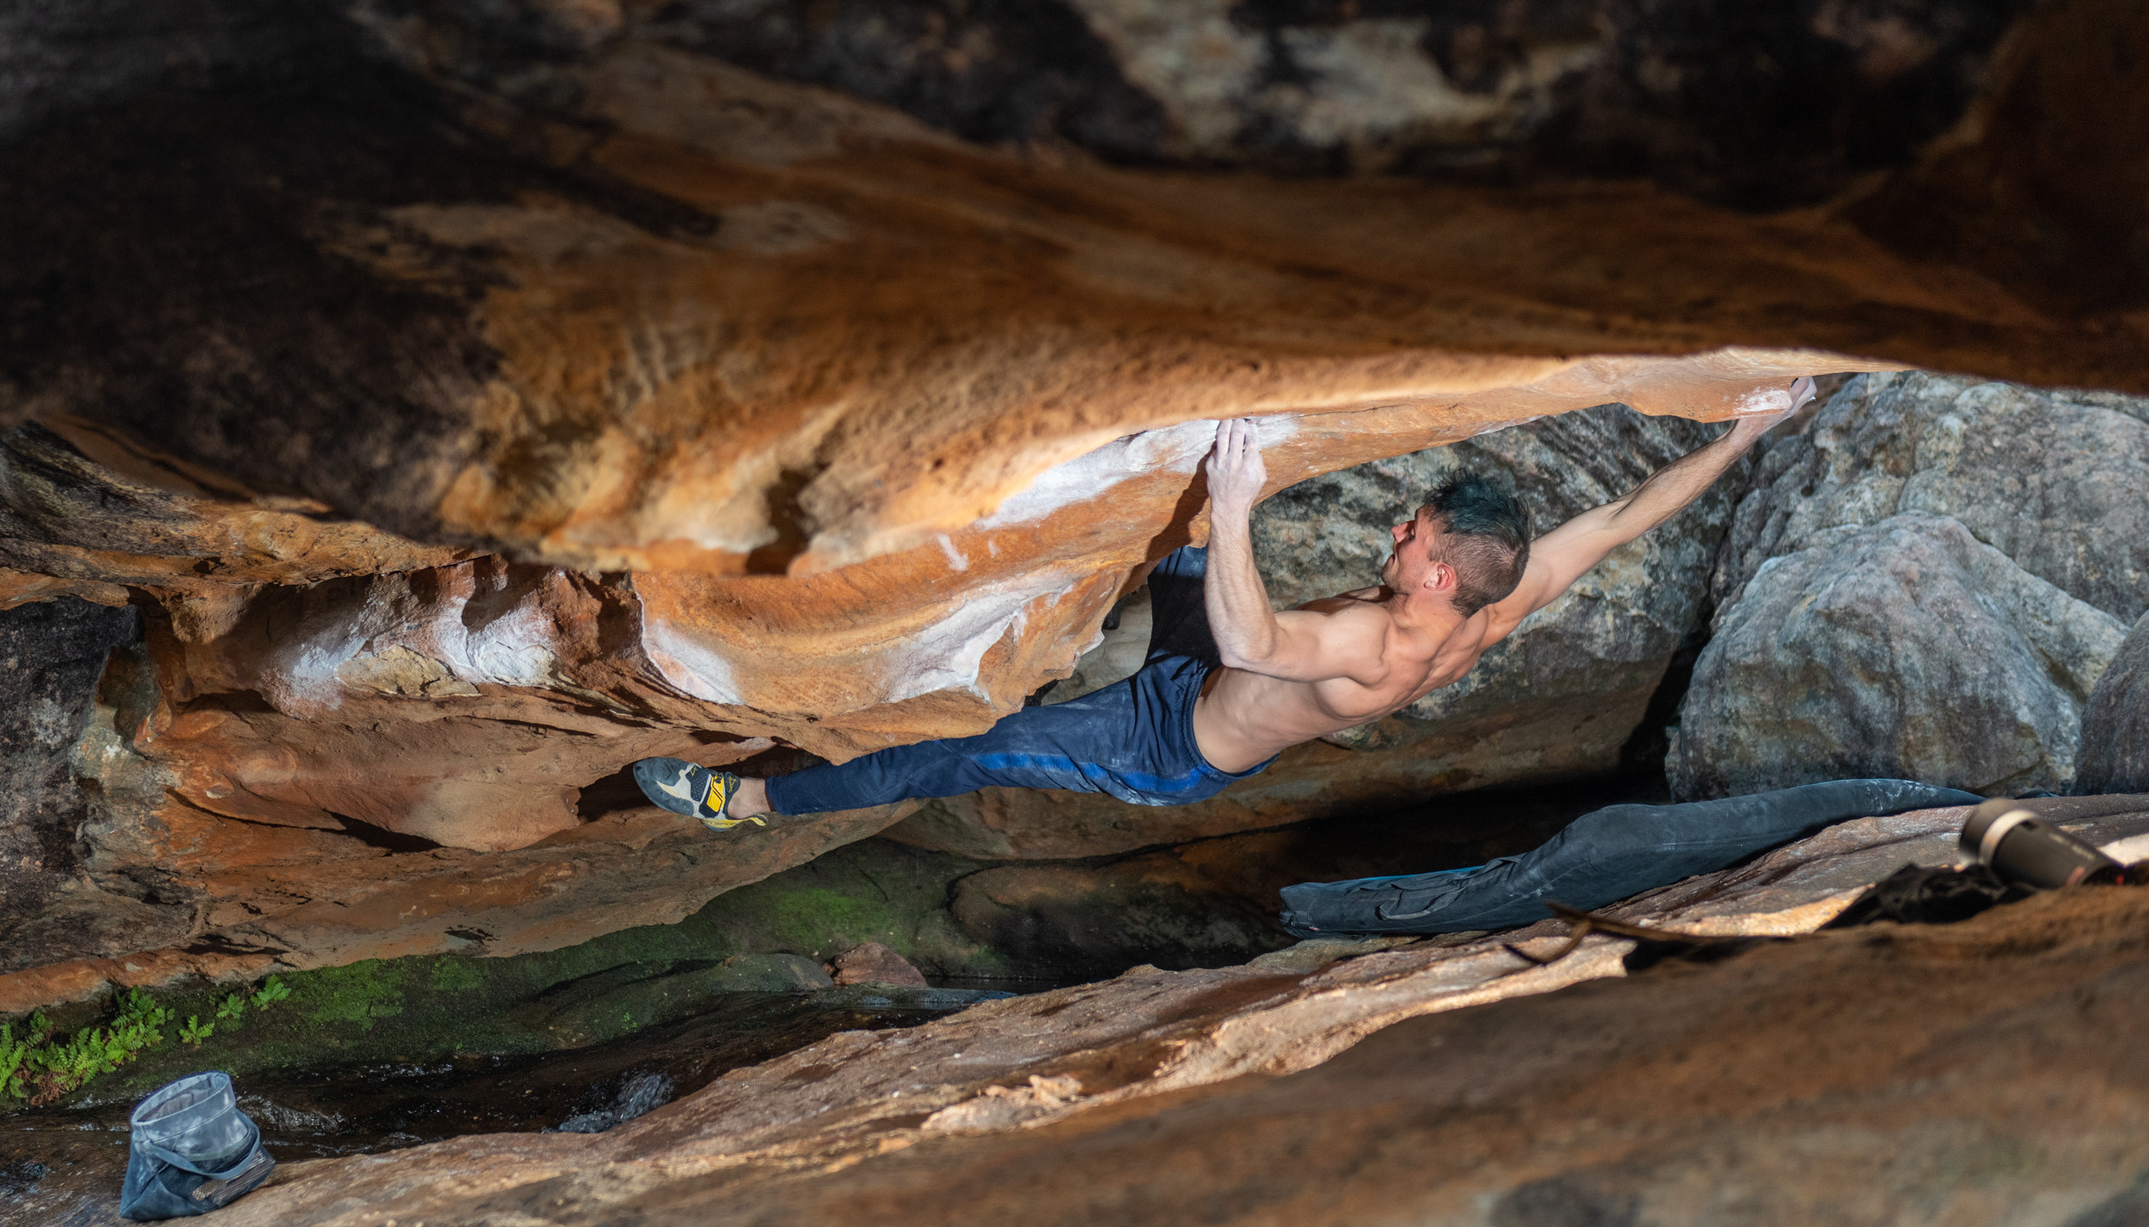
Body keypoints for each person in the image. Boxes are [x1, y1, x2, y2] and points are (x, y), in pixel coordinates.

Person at [634, 380, 1816, 830]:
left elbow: (1256, 639)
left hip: (1164, 744)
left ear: (1438, 575)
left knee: (963, 751)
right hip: (1214, 682)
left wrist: (1238, 496)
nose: (1398, 532)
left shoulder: (1369, 640)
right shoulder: (1499, 602)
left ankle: (750, 803)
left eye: (1415, 536)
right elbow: (1624, 518)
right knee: (1184, 555)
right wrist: (1752, 425)